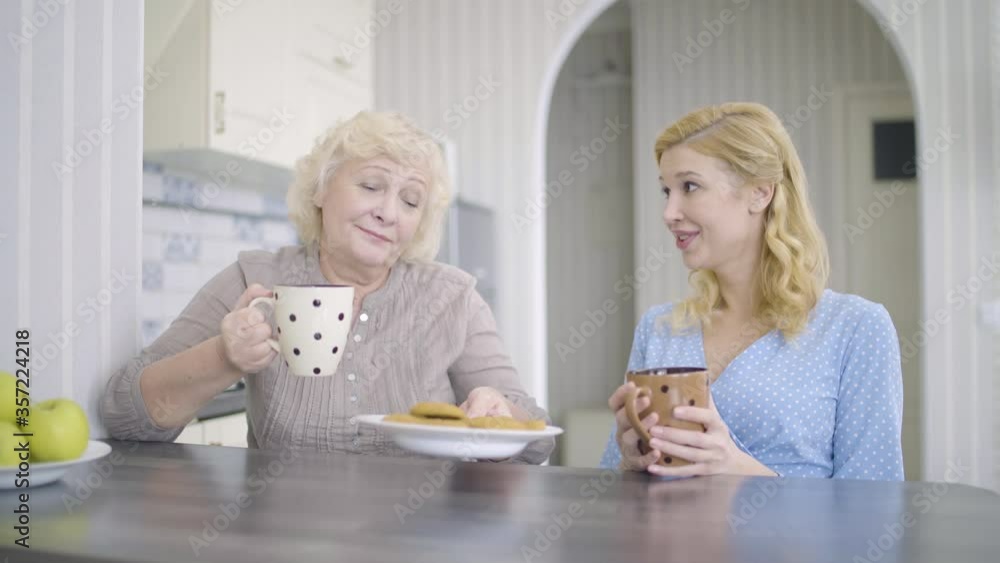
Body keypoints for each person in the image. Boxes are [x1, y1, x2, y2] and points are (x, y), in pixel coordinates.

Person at [102, 111, 554, 464]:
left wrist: (500, 412)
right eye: (372, 185)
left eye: (410, 200)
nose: (389, 212)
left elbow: (537, 442)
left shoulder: (452, 298)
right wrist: (224, 357)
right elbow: (123, 412)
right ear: (320, 189)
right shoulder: (256, 280)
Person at [601, 102, 904, 479]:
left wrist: (735, 469)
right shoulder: (659, 328)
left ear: (760, 194)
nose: (669, 212)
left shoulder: (855, 329)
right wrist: (629, 459)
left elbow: (874, 506)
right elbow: (614, 490)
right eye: (667, 191)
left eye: (689, 186)